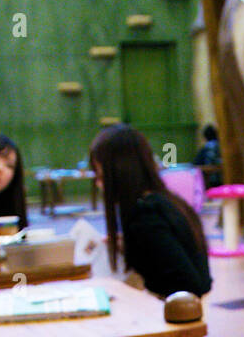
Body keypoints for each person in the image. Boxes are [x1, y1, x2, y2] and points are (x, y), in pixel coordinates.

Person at [89, 123, 212, 300]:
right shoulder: (166, 201)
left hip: (173, 314)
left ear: (119, 173)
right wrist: (129, 245)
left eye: (101, 176)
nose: (99, 184)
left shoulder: (146, 215)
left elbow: (189, 282)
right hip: (183, 310)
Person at [193, 123, 223, 189]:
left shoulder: (205, 149)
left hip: (210, 182)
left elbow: (196, 164)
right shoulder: (222, 147)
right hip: (223, 179)